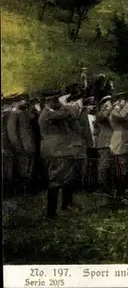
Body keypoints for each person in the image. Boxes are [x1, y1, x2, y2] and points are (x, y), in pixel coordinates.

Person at [38, 89, 78, 219]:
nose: (58, 103)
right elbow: (68, 113)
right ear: (49, 101)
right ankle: (51, 213)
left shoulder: (53, 113)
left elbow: (72, 116)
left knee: (66, 178)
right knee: (55, 181)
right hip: (54, 152)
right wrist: (64, 103)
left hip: (61, 150)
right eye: (56, 100)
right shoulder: (47, 114)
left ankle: (65, 206)